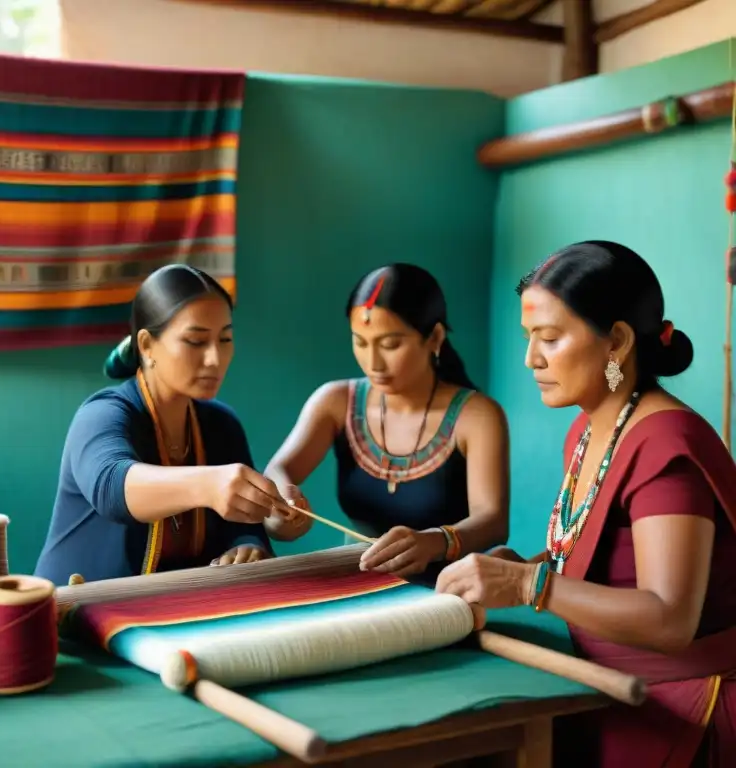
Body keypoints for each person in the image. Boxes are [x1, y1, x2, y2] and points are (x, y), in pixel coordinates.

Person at [435, 240, 736, 767]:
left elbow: (669, 619)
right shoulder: (588, 427)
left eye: (549, 338)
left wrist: (528, 585)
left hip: (680, 713)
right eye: (530, 337)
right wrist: (524, 569)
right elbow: (599, 563)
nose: (531, 358)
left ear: (616, 340)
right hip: (604, 685)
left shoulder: (666, 445)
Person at [34, 264, 279, 586]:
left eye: (225, 339)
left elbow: (242, 526)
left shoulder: (221, 424)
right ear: (147, 346)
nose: (215, 359)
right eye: (195, 341)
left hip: (169, 611)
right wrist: (207, 485)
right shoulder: (102, 415)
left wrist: (247, 546)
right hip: (73, 616)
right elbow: (111, 488)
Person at [263, 263, 510, 582]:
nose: (373, 363)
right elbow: (278, 471)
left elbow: (493, 521)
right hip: (360, 584)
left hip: (450, 593)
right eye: (361, 342)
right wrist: (282, 505)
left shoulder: (476, 416)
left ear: (434, 337)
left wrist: (435, 541)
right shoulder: (335, 402)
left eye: (391, 344)